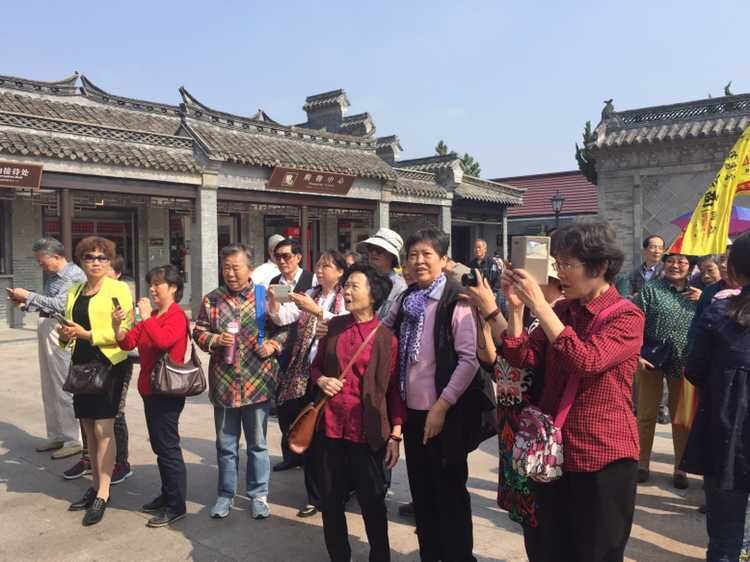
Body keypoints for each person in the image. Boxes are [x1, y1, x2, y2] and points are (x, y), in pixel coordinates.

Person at [500, 222, 644, 562]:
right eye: (557, 263)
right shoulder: (563, 310)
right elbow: (522, 358)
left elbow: (587, 361)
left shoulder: (627, 316)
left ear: (600, 265)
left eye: (567, 264)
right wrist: (516, 309)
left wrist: (540, 306)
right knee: (553, 549)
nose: (560, 272)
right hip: (554, 454)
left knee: (597, 553)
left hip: (602, 455)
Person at [388, 228, 484, 562]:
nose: (419, 261)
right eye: (413, 255)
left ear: (444, 260)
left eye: (427, 254)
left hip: (446, 414)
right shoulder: (407, 299)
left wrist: (442, 406)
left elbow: (469, 360)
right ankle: (430, 554)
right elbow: (382, 336)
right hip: (413, 414)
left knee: (450, 493)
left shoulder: (456, 300)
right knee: (422, 492)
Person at [310, 263, 404, 562]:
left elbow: (393, 391)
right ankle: (339, 556)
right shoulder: (334, 326)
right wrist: (321, 380)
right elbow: (315, 367)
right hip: (330, 428)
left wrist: (396, 433)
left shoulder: (386, 338)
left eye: (354, 286)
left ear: (373, 294)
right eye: (345, 286)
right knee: (331, 501)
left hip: (367, 433)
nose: (347, 291)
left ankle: (380, 556)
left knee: (372, 503)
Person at [464, 257, 563, 529]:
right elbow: (496, 363)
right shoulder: (526, 315)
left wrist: (492, 311)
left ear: (554, 282)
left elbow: (525, 362)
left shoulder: (558, 316)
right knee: (523, 508)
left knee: (543, 511)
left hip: (539, 427)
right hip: (513, 423)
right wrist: (482, 316)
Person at [193, 244, 288, 520]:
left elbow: (286, 327)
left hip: (257, 383)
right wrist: (214, 340)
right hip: (224, 383)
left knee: (258, 444)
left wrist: (273, 345)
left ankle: (258, 495)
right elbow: (199, 332)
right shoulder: (212, 299)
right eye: (226, 268)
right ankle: (225, 495)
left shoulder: (266, 294)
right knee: (226, 445)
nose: (231, 273)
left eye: (236, 267)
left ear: (250, 269)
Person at [680, 232, 750, 561]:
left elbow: (694, 369)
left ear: (732, 269)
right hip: (728, 430)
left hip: (726, 432)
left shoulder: (719, 313)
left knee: (725, 538)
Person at [58, 236, 133, 526]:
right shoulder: (74, 291)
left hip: (108, 364)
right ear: (81, 261)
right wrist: (65, 336)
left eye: (102, 257)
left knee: (103, 429)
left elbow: (124, 332)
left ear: (109, 261)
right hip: (81, 364)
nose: (96, 262)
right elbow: (68, 330)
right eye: (90, 257)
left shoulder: (118, 289)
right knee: (88, 428)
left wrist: (88, 335)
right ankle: (94, 485)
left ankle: (103, 492)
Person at [273, 251, 348, 517]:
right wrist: (274, 303)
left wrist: (317, 312)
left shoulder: (344, 296)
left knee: (329, 440)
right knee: (305, 431)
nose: (320, 269)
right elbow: (284, 317)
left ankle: (334, 492)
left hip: (332, 375)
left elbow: (347, 324)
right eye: (318, 265)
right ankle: (315, 495)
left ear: (340, 271)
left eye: (326, 266)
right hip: (305, 372)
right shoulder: (311, 293)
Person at [114, 264, 190, 528]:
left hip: (167, 392)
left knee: (168, 448)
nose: (153, 289)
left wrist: (146, 317)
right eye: (151, 284)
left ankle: (176, 505)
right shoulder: (154, 315)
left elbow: (162, 342)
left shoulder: (176, 316)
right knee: (160, 446)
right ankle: (167, 494)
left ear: (173, 288)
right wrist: (118, 325)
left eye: (158, 284)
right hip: (150, 389)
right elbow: (127, 342)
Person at [7, 237, 85, 460]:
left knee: (62, 384)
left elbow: (61, 304)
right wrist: (25, 303)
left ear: (56, 256)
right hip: (47, 326)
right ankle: (57, 434)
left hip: (61, 330)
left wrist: (28, 295)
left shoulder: (74, 275)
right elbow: (47, 303)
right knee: (49, 385)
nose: (40, 264)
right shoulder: (53, 276)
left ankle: (73, 438)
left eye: (42, 260)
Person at [634, 251, 699, 489]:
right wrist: (637, 353)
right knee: (646, 413)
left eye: (682, 262)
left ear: (690, 266)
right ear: (664, 264)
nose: (676, 265)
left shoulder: (698, 293)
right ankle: (642, 464)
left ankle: (681, 467)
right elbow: (634, 319)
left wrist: (704, 300)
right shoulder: (651, 289)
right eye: (671, 261)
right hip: (650, 359)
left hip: (684, 361)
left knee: (681, 417)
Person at [357, 228, 407, 319]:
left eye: (379, 250)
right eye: (371, 248)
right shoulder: (362, 277)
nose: (373, 253)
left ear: (392, 255)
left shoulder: (399, 286)